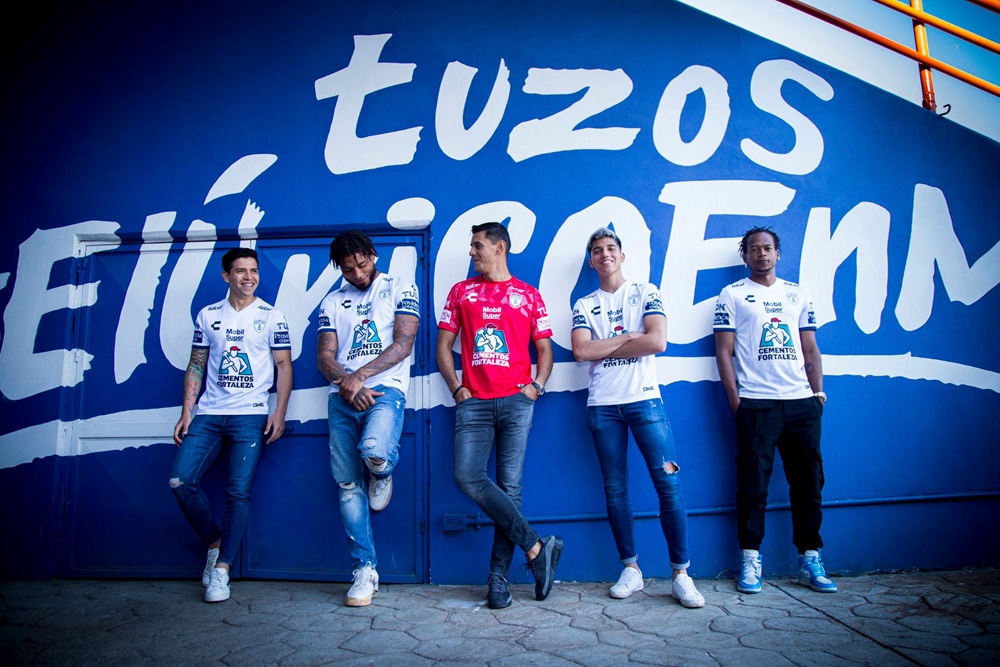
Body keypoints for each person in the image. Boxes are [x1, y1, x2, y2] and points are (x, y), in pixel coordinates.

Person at [570, 227, 705, 608]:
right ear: (591, 260)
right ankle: (631, 569)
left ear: (622, 255)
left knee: (668, 483)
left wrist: (606, 346)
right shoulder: (584, 304)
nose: (605, 254)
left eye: (611, 248)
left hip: (645, 401)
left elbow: (657, 341)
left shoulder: (646, 292)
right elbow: (581, 352)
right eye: (598, 250)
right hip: (603, 405)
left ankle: (681, 574)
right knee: (615, 489)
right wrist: (629, 337)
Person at [436, 221, 564, 609]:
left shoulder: (528, 295)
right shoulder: (462, 292)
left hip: (517, 402)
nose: (471, 252)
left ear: (499, 247)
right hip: (473, 402)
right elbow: (443, 346)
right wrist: (457, 388)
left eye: (477, 245)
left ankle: (498, 579)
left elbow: (545, 350)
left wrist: (536, 386)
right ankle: (537, 547)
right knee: (467, 476)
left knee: (510, 489)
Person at [713, 226, 836, 594]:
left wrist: (817, 394)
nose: (762, 254)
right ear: (745, 256)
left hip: (801, 403)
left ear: (777, 253)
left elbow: (810, 347)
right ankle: (751, 559)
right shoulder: (732, 294)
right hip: (756, 404)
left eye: (767, 248)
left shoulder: (798, 293)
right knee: (753, 485)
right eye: (754, 249)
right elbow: (723, 352)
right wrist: (737, 402)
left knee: (808, 483)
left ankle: (810, 557)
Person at [170, 247, 293, 603]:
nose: (248, 277)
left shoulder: (271, 316)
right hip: (209, 414)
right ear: (227, 276)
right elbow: (196, 364)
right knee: (180, 480)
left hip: (251, 415)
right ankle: (214, 541)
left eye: (253, 271)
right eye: (240, 271)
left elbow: (283, 365)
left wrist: (279, 411)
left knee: (238, 492)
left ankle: (221, 571)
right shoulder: (208, 315)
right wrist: (187, 411)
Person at [317, 230, 420, 607]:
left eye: (362, 265)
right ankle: (365, 569)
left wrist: (360, 376)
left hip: (385, 389)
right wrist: (348, 383)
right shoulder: (332, 301)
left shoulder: (400, 287)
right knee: (347, 484)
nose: (358, 274)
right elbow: (324, 356)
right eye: (348, 270)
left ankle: (381, 472)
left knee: (375, 452)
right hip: (342, 396)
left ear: (373, 255)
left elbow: (404, 343)